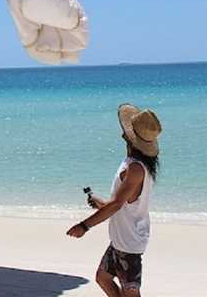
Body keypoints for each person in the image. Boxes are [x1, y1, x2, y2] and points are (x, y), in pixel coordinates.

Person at [66, 103, 162, 297]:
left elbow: (118, 204)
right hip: (121, 240)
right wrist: (101, 203)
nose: (122, 134)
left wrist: (84, 226)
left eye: (126, 131)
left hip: (129, 243)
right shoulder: (134, 163)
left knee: (130, 293)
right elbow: (124, 204)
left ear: (131, 137)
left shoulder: (136, 169)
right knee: (103, 277)